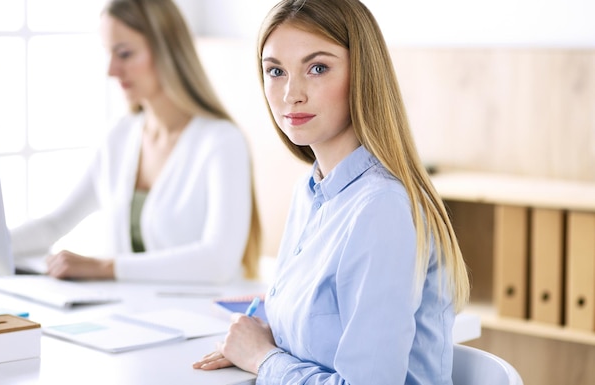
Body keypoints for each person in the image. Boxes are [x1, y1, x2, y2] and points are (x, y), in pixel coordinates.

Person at [193, 0, 470, 383]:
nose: (292, 93)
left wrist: (263, 357)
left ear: (362, 75)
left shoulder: (381, 209)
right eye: (275, 71)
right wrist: (257, 342)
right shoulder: (311, 192)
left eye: (317, 68)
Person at [9, 0, 261, 284]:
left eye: (125, 54)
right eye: (109, 54)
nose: (112, 70)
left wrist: (104, 267)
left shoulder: (222, 142)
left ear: (167, 51)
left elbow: (217, 261)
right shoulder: (121, 134)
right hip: (131, 313)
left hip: (203, 318)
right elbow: (55, 223)